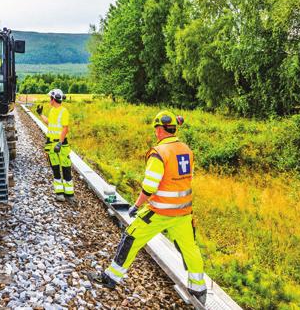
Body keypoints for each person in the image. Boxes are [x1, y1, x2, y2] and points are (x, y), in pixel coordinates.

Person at [87, 110, 207, 305]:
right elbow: (186, 179)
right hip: (183, 212)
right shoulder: (186, 149)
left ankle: (111, 278)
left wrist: (136, 205)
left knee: (131, 237)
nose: (155, 132)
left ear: (160, 129)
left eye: (156, 129)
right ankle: (198, 290)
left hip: (159, 212)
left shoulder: (159, 153)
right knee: (190, 249)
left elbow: (149, 187)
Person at [36, 89, 74, 202]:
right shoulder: (52, 110)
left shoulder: (64, 111)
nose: (49, 100)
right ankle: (59, 193)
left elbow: (65, 128)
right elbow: (50, 123)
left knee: (66, 168)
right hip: (52, 144)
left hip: (61, 144)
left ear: (54, 99)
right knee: (55, 169)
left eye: (50, 98)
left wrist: (60, 143)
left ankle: (70, 194)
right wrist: (40, 114)